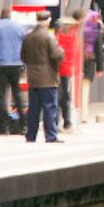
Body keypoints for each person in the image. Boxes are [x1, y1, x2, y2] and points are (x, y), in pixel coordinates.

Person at [20, 11, 65, 143]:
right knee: (49, 107)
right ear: (48, 21)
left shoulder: (28, 37)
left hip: (33, 78)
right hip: (48, 78)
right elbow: (57, 55)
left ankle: (31, 135)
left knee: (34, 108)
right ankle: (50, 135)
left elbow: (23, 56)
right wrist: (61, 51)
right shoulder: (49, 37)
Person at [0, 6, 27, 133]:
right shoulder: (18, 27)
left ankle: (3, 127)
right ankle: (23, 125)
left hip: (0, 64)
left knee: (1, 95)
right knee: (17, 94)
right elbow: (24, 45)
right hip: (16, 64)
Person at [57, 10, 83, 131]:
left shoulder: (60, 35)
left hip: (60, 67)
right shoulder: (74, 34)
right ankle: (65, 121)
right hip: (66, 68)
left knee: (62, 94)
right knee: (64, 95)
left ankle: (62, 120)